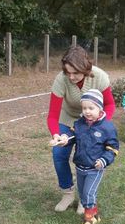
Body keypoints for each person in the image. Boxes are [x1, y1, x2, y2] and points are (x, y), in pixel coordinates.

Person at [47, 45, 116, 214]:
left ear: (85, 68)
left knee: (88, 156)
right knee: (59, 154)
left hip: (94, 120)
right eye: (67, 72)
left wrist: (100, 124)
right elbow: (53, 116)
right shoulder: (61, 79)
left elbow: (110, 104)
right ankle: (68, 193)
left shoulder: (99, 76)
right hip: (68, 118)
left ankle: (85, 198)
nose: (71, 77)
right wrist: (57, 135)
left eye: (75, 73)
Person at [50, 89, 119, 224]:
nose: (87, 111)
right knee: (83, 194)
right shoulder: (79, 124)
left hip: (95, 168)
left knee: (88, 194)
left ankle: (88, 221)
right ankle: (95, 215)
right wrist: (64, 139)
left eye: (91, 108)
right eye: (84, 108)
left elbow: (113, 148)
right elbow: (73, 136)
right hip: (80, 166)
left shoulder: (107, 127)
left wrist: (103, 160)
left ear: (100, 108)